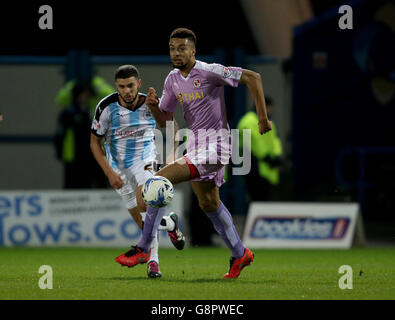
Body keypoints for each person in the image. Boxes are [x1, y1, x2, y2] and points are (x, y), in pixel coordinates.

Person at [115, 28, 272, 279]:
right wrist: (155, 107)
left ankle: (144, 248)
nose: (176, 53)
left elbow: (253, 78)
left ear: (193, 50)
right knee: (209, 203)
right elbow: (166, 121)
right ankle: (240, 254)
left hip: (217, 145)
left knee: (157, 182)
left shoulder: (209, 71)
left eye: (181, 48)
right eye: (172, 48)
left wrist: (262, 118)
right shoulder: (172, 80)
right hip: (197, 147)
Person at [90, 65, 186, 278]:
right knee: (143, 222)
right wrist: (109, 172)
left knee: (147, 202)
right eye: (122, 87)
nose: (127, 91)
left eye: (131, 85)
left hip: (145, 161)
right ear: (117, 87)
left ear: (138, 84)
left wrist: (171, 157)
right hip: (118, 168)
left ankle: (154, 263)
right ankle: (170, 223)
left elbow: (172, 128)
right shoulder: (106, 107)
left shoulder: (149, 103)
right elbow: (95, 142)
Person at [54, 82, 105, 188]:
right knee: (74, 185)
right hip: (74, 156)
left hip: (90, 155)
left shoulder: (92, 112)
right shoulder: (69, 113)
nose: (86, 97)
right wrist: (60, 151)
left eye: (88, 94)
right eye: (84, 94)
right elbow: (60, 134)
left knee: (95, 183)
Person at [237, 96, 283, 201]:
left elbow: (275, 141)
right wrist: (269, 158)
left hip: (266, 169)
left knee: (261, 200)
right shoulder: (249, 121)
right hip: (254, 168)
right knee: (257, 199)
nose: (271, 111)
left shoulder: (266, 122)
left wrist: (276, 157)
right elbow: (255, 141)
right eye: (270, 108)